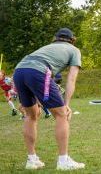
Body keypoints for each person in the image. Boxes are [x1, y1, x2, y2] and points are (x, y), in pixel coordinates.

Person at [13, 28, 85, 170]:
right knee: (61, 115)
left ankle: (32, 160)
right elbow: (71, 79)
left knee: (31, 115)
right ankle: (63, 161)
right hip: (39, 70)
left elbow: (38, 78)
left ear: (56, 38)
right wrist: (66, 104)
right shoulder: (74, 50)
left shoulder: (47, 48)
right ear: (72, 40)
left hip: (19, 70)